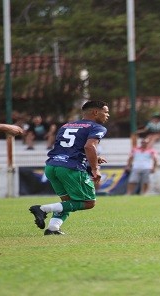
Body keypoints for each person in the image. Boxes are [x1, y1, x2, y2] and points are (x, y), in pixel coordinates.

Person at [28, 100, 110, 235]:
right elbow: (89, 146)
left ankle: (53, 228)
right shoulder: (97, 127)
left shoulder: (66, 125)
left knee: (67, 202)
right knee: (89, 202)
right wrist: (95, 169)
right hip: (70, 168)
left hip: (52, 166)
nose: (108, 115)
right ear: (96, 112)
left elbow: (69, 147)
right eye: (106, 112)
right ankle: (42, 209)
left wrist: (94, 158)